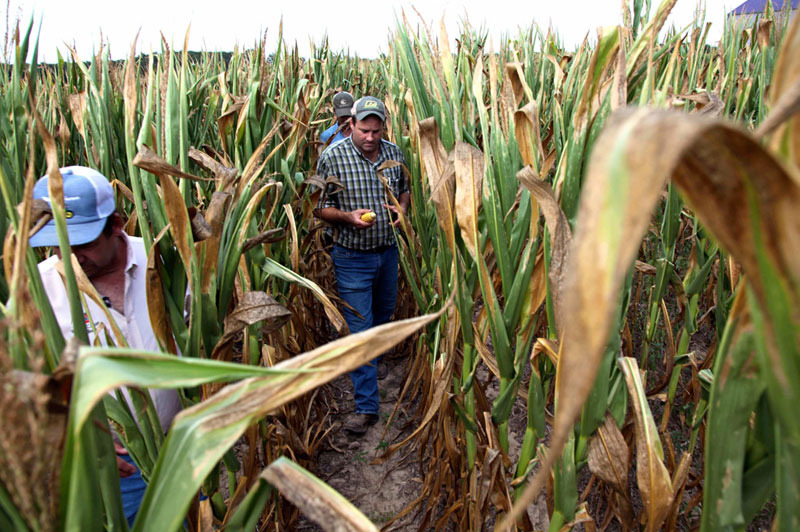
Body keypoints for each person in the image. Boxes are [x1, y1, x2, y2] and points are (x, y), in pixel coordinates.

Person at [29, 166, 182, 527]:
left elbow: (205, 335)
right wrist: (71, 433)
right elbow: (28, 378)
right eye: (56, 243)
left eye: (80, 243)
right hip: (118, 464)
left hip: (186, 442)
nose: (68, 255)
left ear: (114, 225)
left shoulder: (166, 261)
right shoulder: (40, 290)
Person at [315, 96, 410, 435]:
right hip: (352, 256)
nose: (370, 137)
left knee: (383, 314)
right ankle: (366, 406)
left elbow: (404, 190)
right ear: (350, 124)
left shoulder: (394, 153)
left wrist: (400, 209)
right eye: (364, 130)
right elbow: (319, 207)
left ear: (384, 126)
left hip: (387, 252)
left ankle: (373, 360)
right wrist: (346, 217)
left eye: (376, 130)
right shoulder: (332, 158)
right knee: (361, 331)